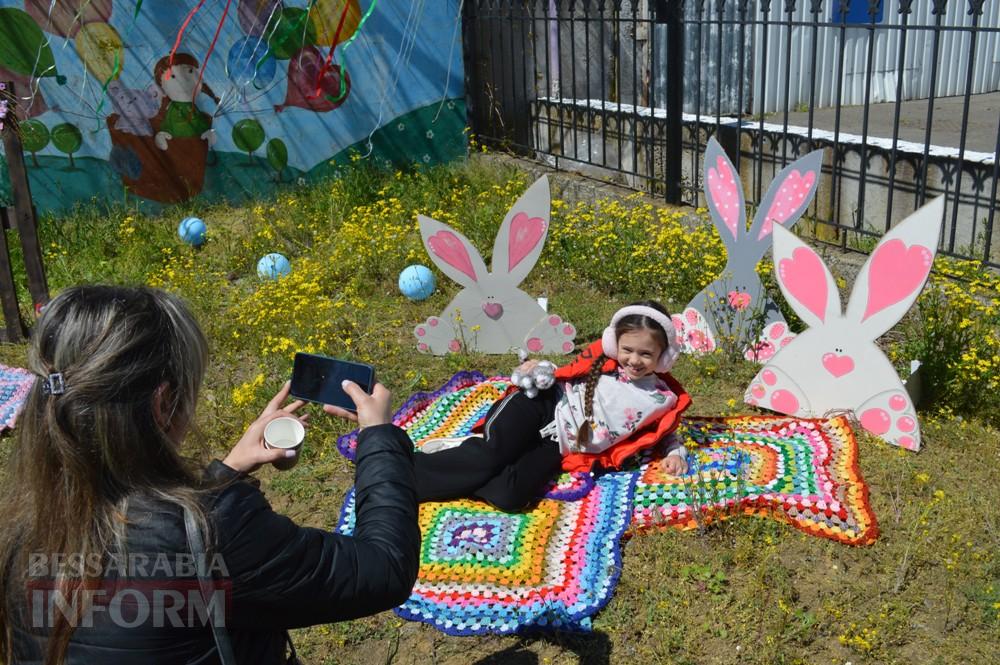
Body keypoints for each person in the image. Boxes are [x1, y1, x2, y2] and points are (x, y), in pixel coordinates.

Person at [0, 286, 419, 664]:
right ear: (163, 405)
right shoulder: (217, 529)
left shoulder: (19, 527)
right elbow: (383, 568)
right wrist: (379, 437)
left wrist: (225, 471)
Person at [415, 300, 692, 512]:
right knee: (491, 455)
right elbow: (567, 372)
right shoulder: (603, 363)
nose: (634, 360)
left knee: (511, 496)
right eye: (627, 350)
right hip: (541, 406)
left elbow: (666, 432)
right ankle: (403, 476)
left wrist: (676, 453)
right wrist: (538, 368)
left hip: (559, 446)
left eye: (646, 354)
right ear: (613, 343)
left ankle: (466, 451)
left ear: (665, 357)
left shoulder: (662, 397)